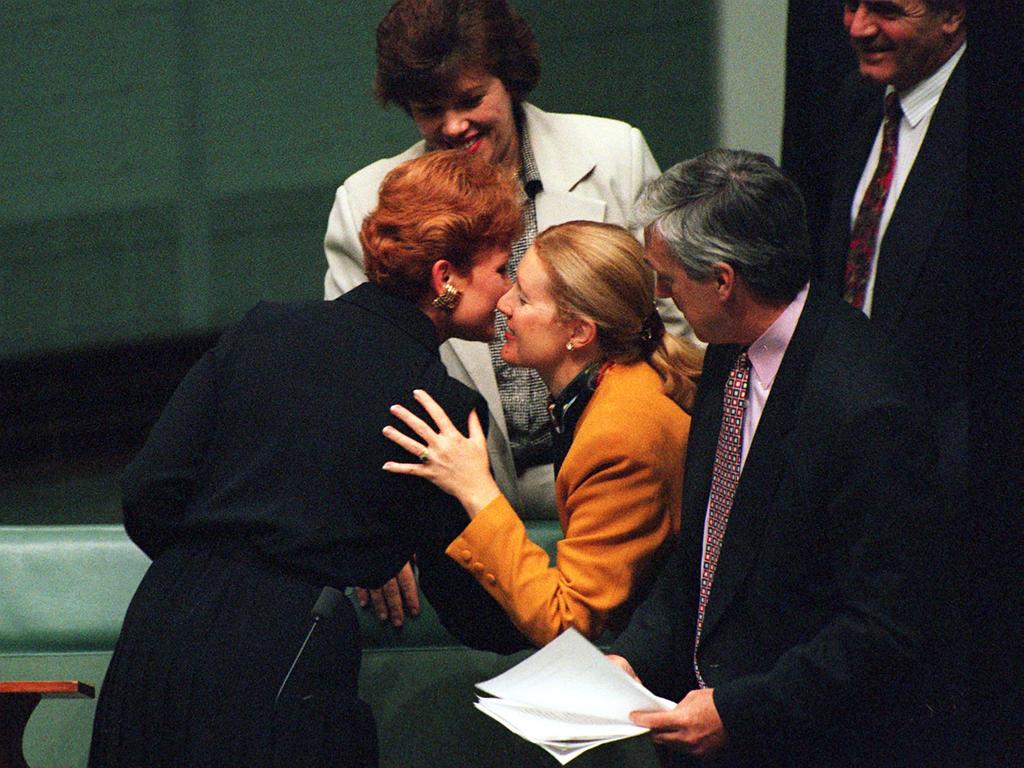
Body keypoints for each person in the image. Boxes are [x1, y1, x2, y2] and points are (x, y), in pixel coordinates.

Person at [88, 151, 529, 768]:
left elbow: (147, 493)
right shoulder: (441, 409)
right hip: (282, 656)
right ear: (444, 277)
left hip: (158, 635)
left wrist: (221, 563)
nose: (510, 291)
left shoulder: (262, 330)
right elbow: (482, 617)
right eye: (501, 268)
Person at [606, 149, 943, 767]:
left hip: (808, 744)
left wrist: (741, 711)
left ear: (723, 281)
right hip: (706, 734)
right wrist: (633, 655)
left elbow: (883, 625)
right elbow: (709, 552)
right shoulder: (728, 349)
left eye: (667, 278)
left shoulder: (865, 405)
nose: (658, 296)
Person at [324, 0, 684, 544]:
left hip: (621, 484)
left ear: (510, 80)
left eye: (471, 100)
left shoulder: (614, 155)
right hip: (453, 514)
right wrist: (371, 523)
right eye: (428, 110)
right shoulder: (367, 204)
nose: (453, 126)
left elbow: (675, 329)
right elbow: (354, 383)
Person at [380, 221, 701, 646]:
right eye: (512, 284)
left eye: (525, 298)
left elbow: (564, 621)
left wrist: (476, 490)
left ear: (580, 332)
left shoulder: (619, 436)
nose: (503, 303)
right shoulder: (617, 385)